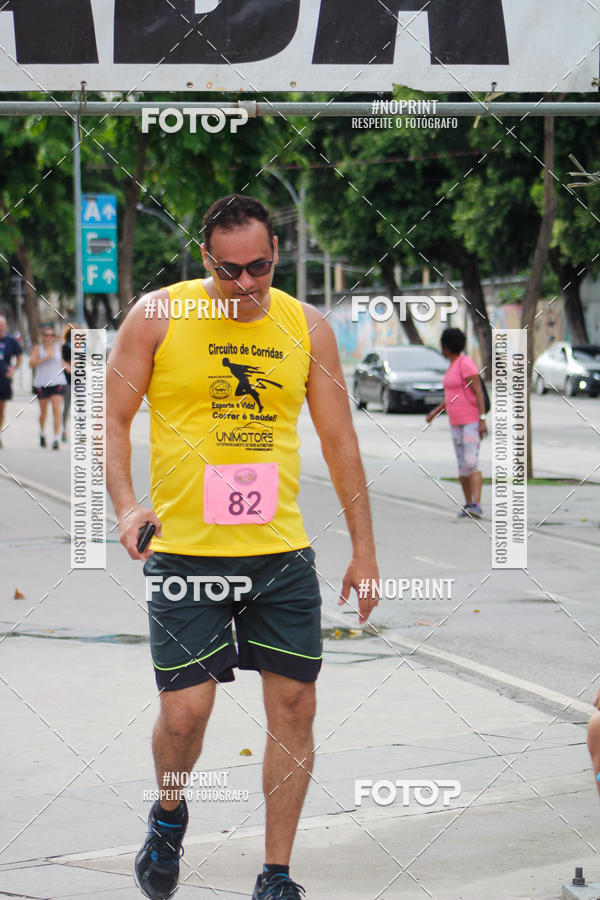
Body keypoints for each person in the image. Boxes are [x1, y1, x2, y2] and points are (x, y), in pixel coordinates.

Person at [106, 194, 380, 900]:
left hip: (279, 556)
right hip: (186, 555)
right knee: (185, 714)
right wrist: (127, 504)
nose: (246, 283)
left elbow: (340, 441)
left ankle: (276, 875)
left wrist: (364, 549)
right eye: (229, 271)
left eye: (258, 267)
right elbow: (111, 420)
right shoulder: (158, 316)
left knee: (296, 707)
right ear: (206, 259)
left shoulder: (307, 327)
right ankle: (169, 814)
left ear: (276, 253)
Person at [426, 327, 488, 518]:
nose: (442, 349)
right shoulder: (452, 366)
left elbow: (478, 392)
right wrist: (435, 412)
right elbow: (452, 397)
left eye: (443, 346)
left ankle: (477, 504)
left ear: (447, 346)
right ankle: (468, 503)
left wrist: (482, 419)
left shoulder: (465, 364)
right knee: (462, 464)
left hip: (470, 421)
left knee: (471, 461)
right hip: (455, 422)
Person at [29, 326, 67, 449]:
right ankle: (42, 433)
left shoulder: (59, 348)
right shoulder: (38, 349)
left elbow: (62, 361)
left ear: (54, 337)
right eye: (46, 335)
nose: (49, 337)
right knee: (43, 412)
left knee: (56, 410)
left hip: (58, 382)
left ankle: (56, 438)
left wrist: (68, 367)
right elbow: (31, 364)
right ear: (43, 336)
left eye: (51, 335)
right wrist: (45, 357)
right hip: (42, 383)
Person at [0, 315, 23, 448]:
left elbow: (19, 357)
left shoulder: (10, 341)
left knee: (1, 409)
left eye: (2, 325)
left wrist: (13, 369)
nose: (0, 327)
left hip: (4, 379)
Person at [61, 324, 73, 442]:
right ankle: (63, 430)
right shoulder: (64, 347)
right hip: (68, 381)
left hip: (81, 380)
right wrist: (67, 366)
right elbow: (62, 361)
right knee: (66, 407)